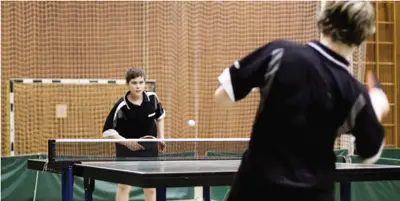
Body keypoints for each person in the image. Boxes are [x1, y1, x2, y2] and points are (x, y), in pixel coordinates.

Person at [214, 1, 388, 201]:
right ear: (362, 36)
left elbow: (222, 97)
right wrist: (376, 106)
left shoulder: (279, 53)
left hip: (255, 190)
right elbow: (370, 154)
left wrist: (258, 82)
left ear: (323, 19)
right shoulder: (355, 93)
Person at [102, 67, 166, 201]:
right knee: (124, 186)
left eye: (141, 82)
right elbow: (107, 131)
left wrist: (161, 137)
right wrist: (127, 142)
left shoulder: (152, 98)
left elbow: (160, 116)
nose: (138, 86)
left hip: (149, 147)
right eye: (134, 83)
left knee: (150, 187)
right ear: (128, 84)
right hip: (126, 149)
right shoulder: (122, 106)